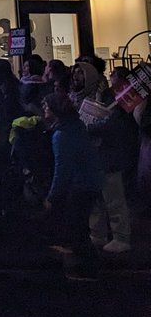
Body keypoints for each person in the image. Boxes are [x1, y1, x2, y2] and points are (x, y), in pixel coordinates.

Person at [43, 91, 103, 280]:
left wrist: (53, 196)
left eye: (46, 105)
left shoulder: (61, 135)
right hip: (90, 181)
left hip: (80, 185)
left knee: (77, 230)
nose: (44, 108)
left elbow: (63, 168)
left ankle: (88, 270)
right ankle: (88, 267)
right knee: (79, 227)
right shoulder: (75, 127)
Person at [90, 68, 138, 254]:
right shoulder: (108, 97)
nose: (110, 80)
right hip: (102, 154)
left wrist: (93, 126)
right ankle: (99, 233)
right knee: (100, 197)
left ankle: (120, 236)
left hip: (111, 154)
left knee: (113, 197)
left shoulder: (119, 101)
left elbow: (113, 125)